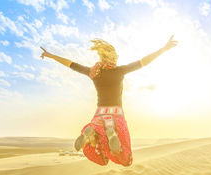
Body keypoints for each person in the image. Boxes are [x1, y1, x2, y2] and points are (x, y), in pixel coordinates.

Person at [40, 35, 177, 166]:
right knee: (125, 157)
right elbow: (143, 62)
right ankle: (112, 136)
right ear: (113, 57)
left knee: (100, 152)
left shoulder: (94, 72)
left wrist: (50, 55)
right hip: (116, 114)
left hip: (99, 114)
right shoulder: (120, 71)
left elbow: (71, 64)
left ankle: (92, 135)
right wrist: (163, 49)